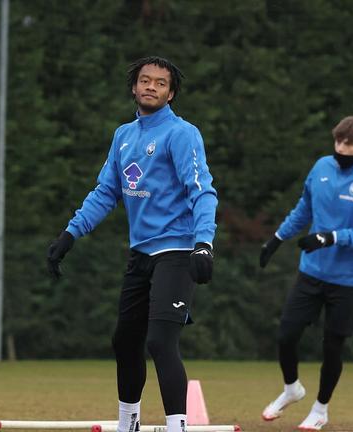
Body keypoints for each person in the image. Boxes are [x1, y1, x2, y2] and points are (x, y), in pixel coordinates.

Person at [46, 56, 217, 432]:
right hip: (141, 255)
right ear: (134, 87)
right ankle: (129, 424)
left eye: (160, 82)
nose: (150, 86)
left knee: (159, 341)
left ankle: (178, 427)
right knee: (124, 342)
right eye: (144, 80)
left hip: (176, 251)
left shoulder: (181, 133)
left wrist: (204, 243)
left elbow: (201, 190)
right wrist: (70, 234)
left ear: (171, 93)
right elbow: (106, 191)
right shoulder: (124, 136)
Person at [257, 116, 353, 431]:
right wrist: (277, 238)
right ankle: (292, 389)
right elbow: (304, 208)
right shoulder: (321, 168)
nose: (343, 149)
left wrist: (331, 237)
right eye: (339, 142)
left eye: (350, 144)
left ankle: (320, 409)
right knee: (286, 335)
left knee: (332, 346)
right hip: (311, 273)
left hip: (347, 280)